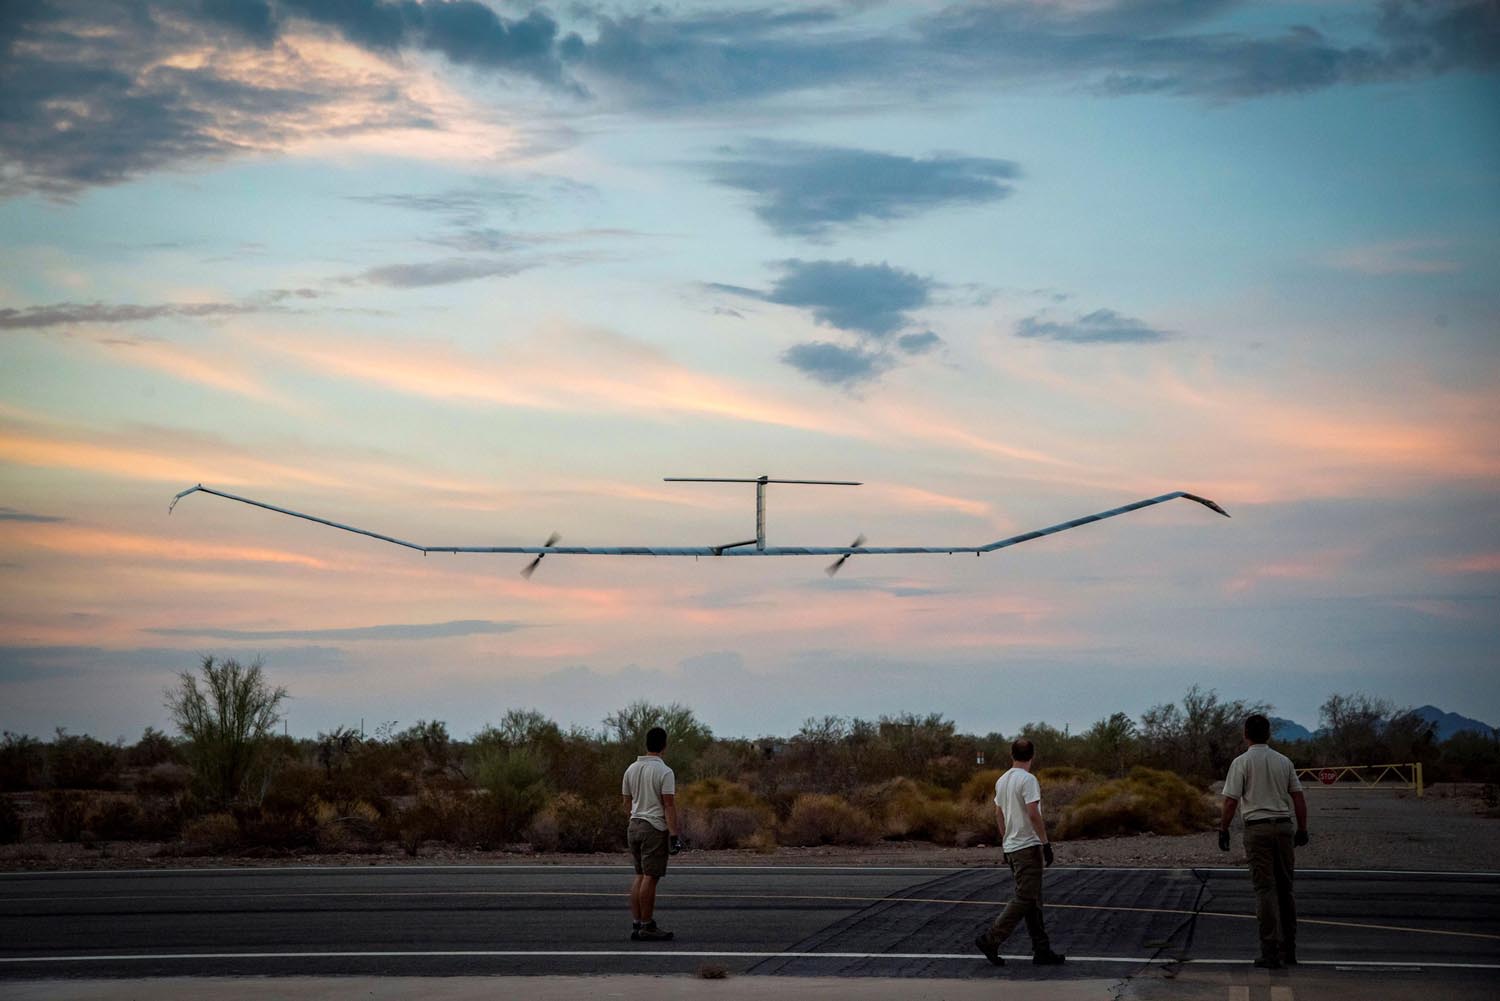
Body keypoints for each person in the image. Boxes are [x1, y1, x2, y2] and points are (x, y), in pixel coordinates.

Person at [1218, 712, 1309, 968]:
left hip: (1257, 829)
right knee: (1285, 889)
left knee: (1264, 889)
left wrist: (1223, 829)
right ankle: (1288, 949)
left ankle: (1269, 951)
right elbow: (1298, 798)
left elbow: (1231, 800)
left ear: (1245, 734)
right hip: (1283, 827)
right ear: (1268, 734)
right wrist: (1302, 828)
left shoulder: (1241, 762)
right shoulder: (1284, 761)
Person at [974, 738, 1066, 967]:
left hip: (1013, 846)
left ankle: (1041, 949)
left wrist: (1005, 841)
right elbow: (1033, 812)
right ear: (1032, 755)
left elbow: (998, 814)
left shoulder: (1002, 780)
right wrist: (1045, 843)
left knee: (1033, 900)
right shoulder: (1028, 780)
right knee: (1025, 898)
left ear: (1011, 754)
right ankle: (991, 939)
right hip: (1028, 846)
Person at [622, 725, 682, 941]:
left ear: (646, 744)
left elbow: (626, 801)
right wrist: (673, 834)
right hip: (653, 827)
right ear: (664, 745)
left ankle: (638, 922)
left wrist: (634, 817)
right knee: (651, 876)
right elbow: (668, 805)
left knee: (639, 875)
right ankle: (647, 925)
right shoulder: (664, 772)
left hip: (634, 825)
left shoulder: (631, 769)